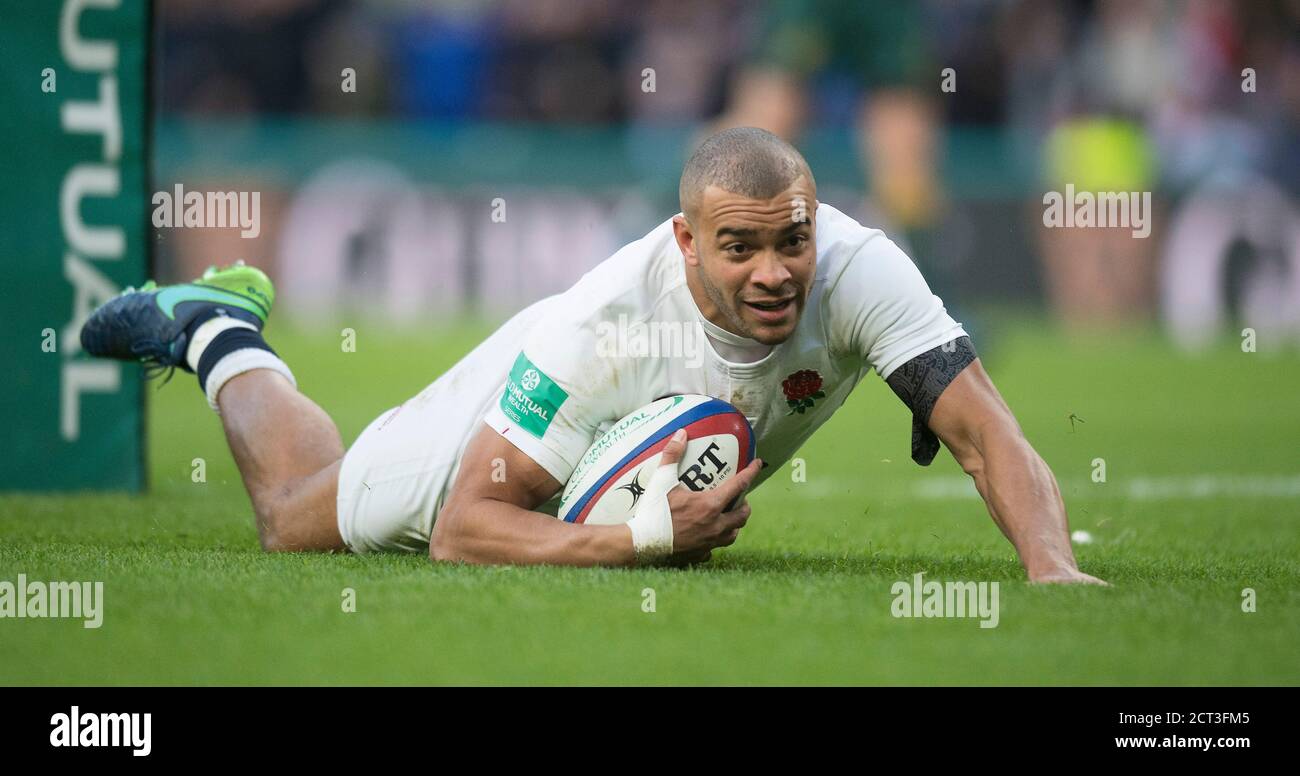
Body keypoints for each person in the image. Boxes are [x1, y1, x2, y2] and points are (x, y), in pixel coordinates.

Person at [81, 127, 1104, 583]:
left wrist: (1050, 569)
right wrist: (646, 539)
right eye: (737, 246)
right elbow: (463, 530)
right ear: (684, 241)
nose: (773, 273)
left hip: (622, 437)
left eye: (789, 240)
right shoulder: (601, 322)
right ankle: (219, 328)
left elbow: (987, 433)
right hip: (544, 394)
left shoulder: (860, 267)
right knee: (293, 515)